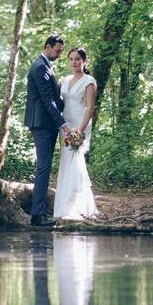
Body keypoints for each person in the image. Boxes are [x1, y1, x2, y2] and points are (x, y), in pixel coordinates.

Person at [25, 34, 71, 227]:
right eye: (58, 50)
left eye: (61, 51)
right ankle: (37, 215)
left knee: (44, 167)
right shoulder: (40, 67)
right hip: (42, 124)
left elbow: (53, 97)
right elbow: (47, 100)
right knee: (43, 168)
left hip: (46, 123)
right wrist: (62, 124)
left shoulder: (45, 67)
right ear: (47, 46)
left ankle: (39, 211)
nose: (60, 54)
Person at [53, 48, 98, 220]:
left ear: (85, 61)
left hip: (81, 123)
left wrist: (80, 129)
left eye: (78, 59)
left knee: (76, 160)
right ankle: (64, 207)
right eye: (71, 59)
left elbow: (90, 108)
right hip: (65, 126)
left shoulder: (89, 81)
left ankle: (78, 207)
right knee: (66, 161)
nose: (74, 62)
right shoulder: (64, 80)